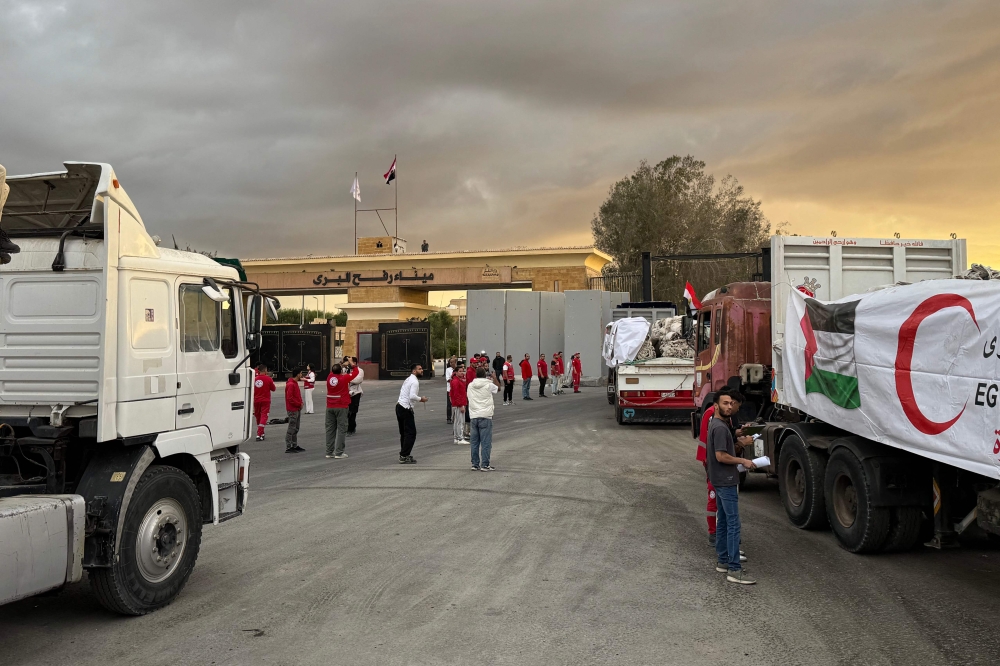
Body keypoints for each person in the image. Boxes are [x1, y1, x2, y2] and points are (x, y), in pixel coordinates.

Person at [707, 389, 757, 585]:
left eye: (731, 403)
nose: (729, 406)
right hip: (726, 479)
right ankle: (734, 569)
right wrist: (743, 461)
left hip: (719, 479)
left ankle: (723, 561)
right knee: (733, 524)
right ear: (716, 405)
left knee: (724, 521)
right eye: (725, 403)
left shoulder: (718, 424)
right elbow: (721, 456)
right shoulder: (719, 428)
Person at [467, 366, 501, 471]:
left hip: (474, 415)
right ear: (485, 375)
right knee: (486, 442)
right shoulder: (489, 384)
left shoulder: (470, 385)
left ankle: (475, 464)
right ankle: (485, 464)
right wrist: (495, 378)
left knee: (474, 442)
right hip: (485, 415)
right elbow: (498, 388)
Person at [325, 361, 359, 459]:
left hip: (330, 406)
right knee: (341, 429)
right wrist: (352, 364)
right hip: (341, 406)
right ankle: (339, 452)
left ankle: (329, 452)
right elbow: (356, 373)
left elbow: (333, 371)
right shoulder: (344, 378)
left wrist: (339, 364)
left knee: (330, 429)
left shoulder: (329, 378)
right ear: (341, 371)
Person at [396, 364, 427, 464]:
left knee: (404, 433)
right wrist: (421, 399)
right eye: (419, 369)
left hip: (399, 406)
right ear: (414, 371)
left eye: (421, 369)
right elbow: (412, 396)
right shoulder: (414, 381)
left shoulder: (409, 379)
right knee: (411, 433)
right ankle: (404, 455)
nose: (422, 370)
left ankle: (404, 454)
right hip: (405, 408)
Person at [284, 367, 306, 453]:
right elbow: (290, 398)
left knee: (296, 427)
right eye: (301, 373)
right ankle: (289, 446)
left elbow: (297, 395)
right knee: (291, 427)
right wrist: (298, 404)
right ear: (297, 374)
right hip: (292, 409)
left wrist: (300, 403)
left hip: (297, 408)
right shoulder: (291, 384)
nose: (301, 375)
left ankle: (294, 444)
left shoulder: (295, 383)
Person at [253, 364, 276, 441]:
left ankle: (262, 433)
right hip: (265, 400)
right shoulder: (268, 379)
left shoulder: (254, 379)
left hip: (256, 400)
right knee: (264, 416)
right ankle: (259, 434)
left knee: (258, 416)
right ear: (265, 370)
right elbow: (273, 389)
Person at [450, 362, 468, 443]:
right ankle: (460, 438)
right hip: (459, 404)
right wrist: (461, 405)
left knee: (457, 421)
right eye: (460, 371)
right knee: (460, 421)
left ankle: (456, 437)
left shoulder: (457, 380)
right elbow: (456, 394)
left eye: (462, 371)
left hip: (458, 403)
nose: (462, 373)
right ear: (456, 372)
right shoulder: (456, 381)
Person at [347, 356, 364, 436]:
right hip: (347, 393)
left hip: (356, 393)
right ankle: (348, 426)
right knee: (346, 412)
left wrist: (346, 379)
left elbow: (358, 380)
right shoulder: (346, 370)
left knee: (353, 411)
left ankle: (351, 428)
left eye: (350, 362)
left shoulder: (360, 371)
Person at [445, 357, 456, 424]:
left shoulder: (458, 369)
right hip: (450, 389)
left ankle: (456, 417)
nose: (451, 363)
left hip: (457, 389)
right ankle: (448, 418)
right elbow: (448, 379)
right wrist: (455, 381)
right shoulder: (448, 370)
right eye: (450, 362)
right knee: (449, 404)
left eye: (453, 362)